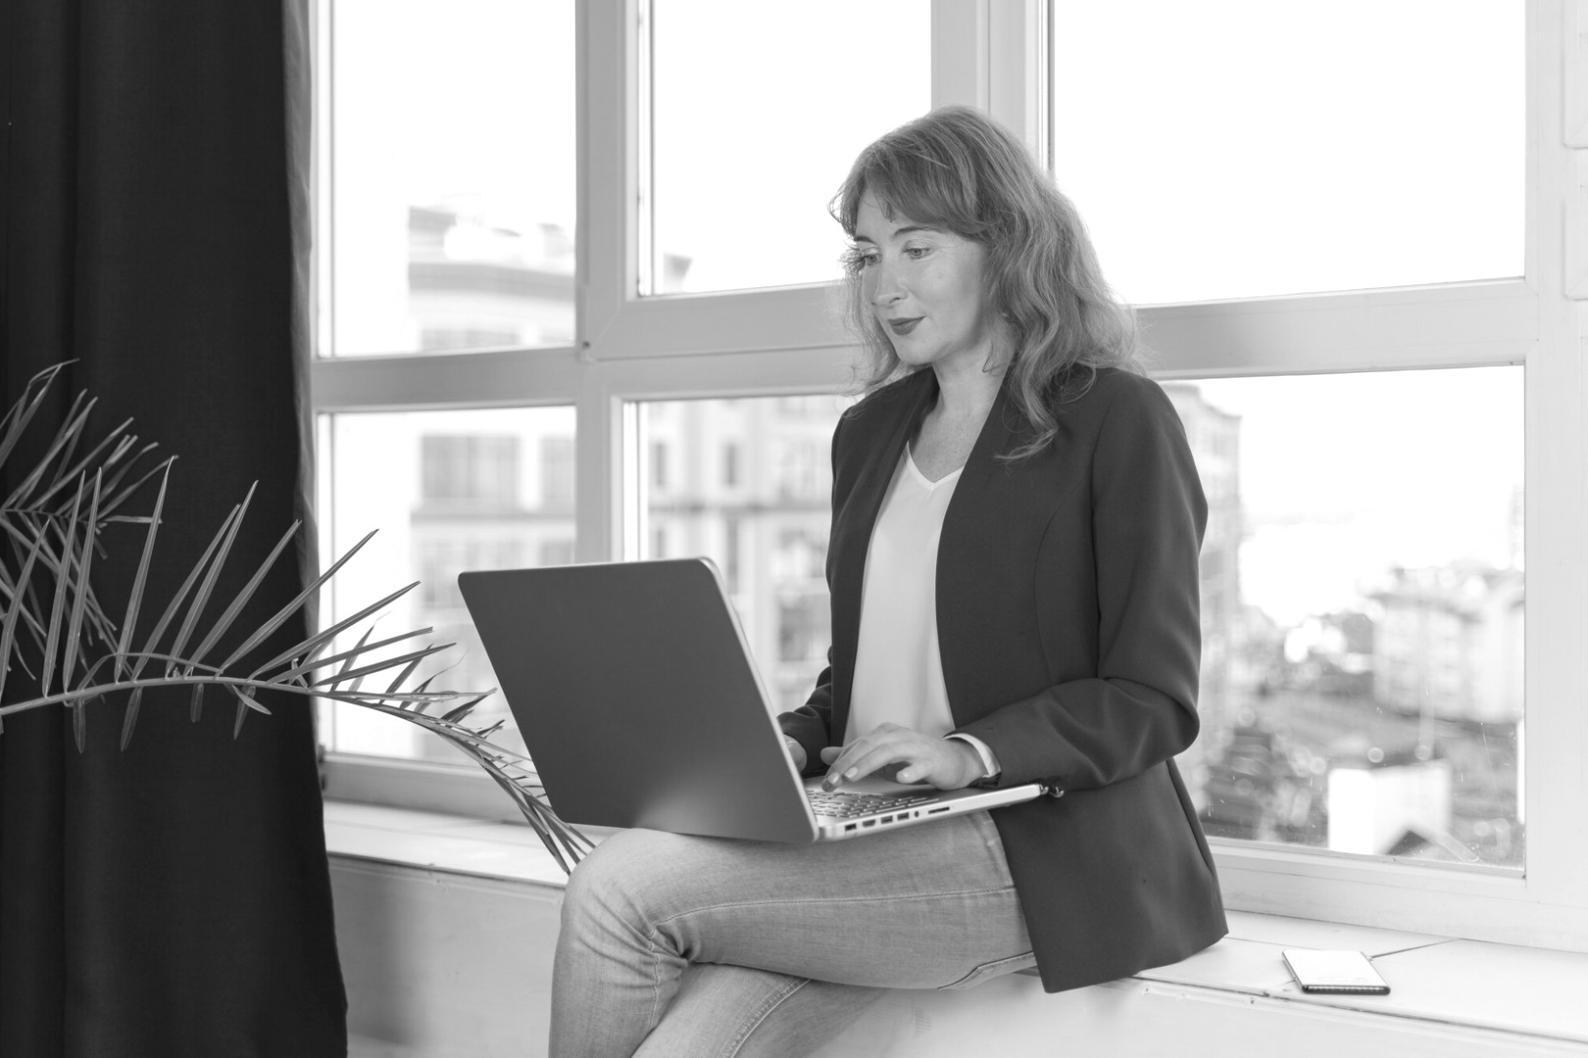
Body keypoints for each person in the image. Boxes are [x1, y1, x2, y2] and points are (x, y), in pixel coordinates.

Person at [548, 105, 1226, 1057]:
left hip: (1026, 850)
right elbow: (862, 675)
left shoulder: (1117, 419)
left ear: (1007, 248)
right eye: (866, 255)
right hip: (862, 837)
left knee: (618, 888)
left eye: (918, 248)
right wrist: (781, 742)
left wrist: (971, 751)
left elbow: (1152, 696)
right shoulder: (870, 435)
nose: (885, 286)